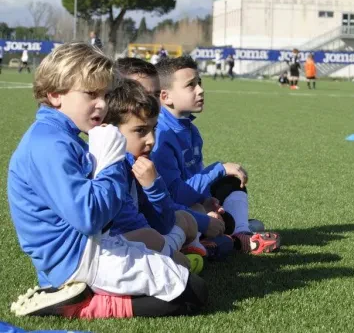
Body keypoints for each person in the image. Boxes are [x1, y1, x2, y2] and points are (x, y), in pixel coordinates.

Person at [7, 43, 207, 318]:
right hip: (74, 260)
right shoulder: (48, 143)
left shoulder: (63, 137)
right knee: (192, 292)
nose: (102, 103)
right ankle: (84, 305)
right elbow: (91, 217)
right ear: (55, 94)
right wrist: (112, 160)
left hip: (91, 247)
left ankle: (84, 293)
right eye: (91, 94)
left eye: (104, 94)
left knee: (183, 275)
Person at [153, 56, 281, 254]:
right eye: (190, 85)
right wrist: (218, 169)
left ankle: (241, 232)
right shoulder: (161, 135)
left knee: (231, 180)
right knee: (218, 184)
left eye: (199, 83)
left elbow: (195, 179)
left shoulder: (191, 130)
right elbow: (176, 194)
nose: (200, 90)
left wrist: (208, 201)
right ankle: (224, 239)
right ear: (165, 96)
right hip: (174, 212)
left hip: (192, 203)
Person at [103, 78, 208, 265]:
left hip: (144, 240)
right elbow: (136, 228)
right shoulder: (111, 169)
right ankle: (178, 258)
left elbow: (164, 223)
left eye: (153, 129)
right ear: (111, 131)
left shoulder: (140, 162)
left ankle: (188, 250)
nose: (151, 139)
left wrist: (154, 186)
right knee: (181, 263)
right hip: (115, 252)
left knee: (187, 218)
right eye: (140, 131)